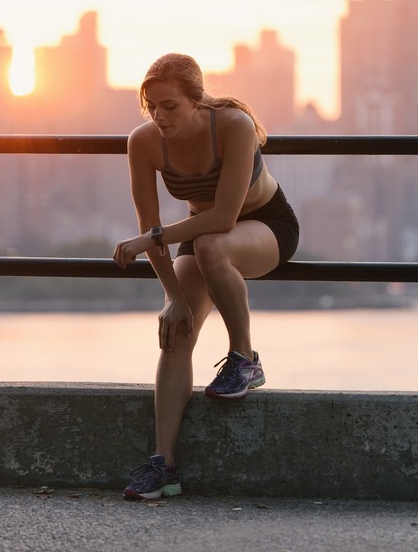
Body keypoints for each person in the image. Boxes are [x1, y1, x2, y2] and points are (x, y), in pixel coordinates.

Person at [112, 53, 299, 501]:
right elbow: (150, 228)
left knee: (215, 245)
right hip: (199, 233)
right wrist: (172, 296)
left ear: (197, 101)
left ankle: (245, 358)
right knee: (177, 331)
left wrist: (152, 237)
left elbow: (224, 215)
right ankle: (164, 466)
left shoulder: (233, 125)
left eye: (170, 106)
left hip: (264, 226)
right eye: (151, 106)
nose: (160, 117)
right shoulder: (144, 142)